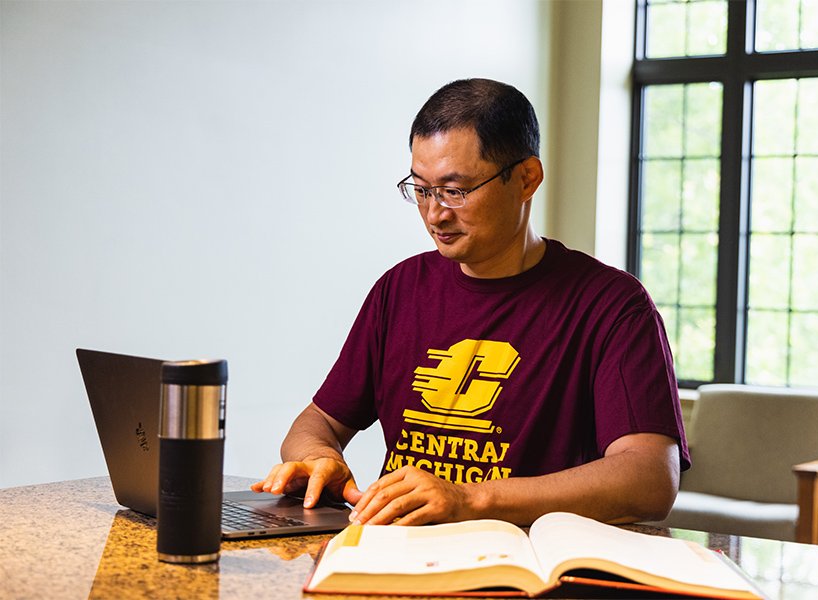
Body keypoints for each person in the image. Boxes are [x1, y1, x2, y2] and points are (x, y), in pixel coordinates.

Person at [252, 78, 690, 527]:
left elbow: (649, 479)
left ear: (526, 179)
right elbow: (317, 421)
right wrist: (318, 457)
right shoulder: (400, 289)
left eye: (455, 191)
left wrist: (468, 500)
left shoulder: (611, 306)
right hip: (398, 557)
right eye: (421, 189)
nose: (435, 213)